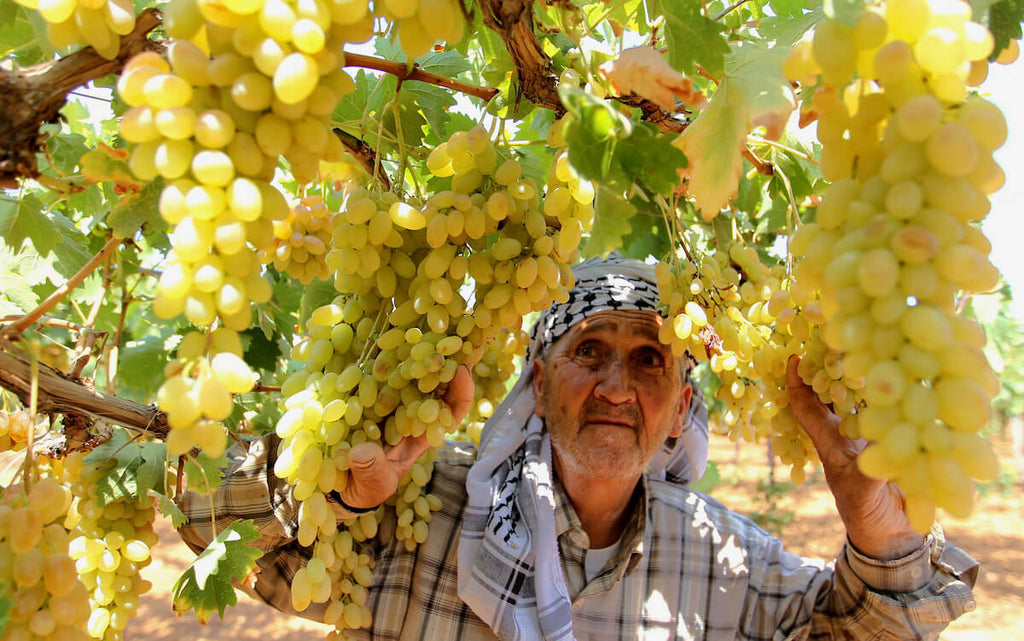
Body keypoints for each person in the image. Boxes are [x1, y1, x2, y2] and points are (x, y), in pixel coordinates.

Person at [177, 255, 979, 640]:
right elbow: (202, 511)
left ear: (680, 411)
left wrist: (882, 540)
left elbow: (855, 631)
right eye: (588, 350)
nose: (617, 386)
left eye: (649, 359)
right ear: (538, 380)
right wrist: (332, 496)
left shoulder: (728, 560)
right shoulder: (424, 512)